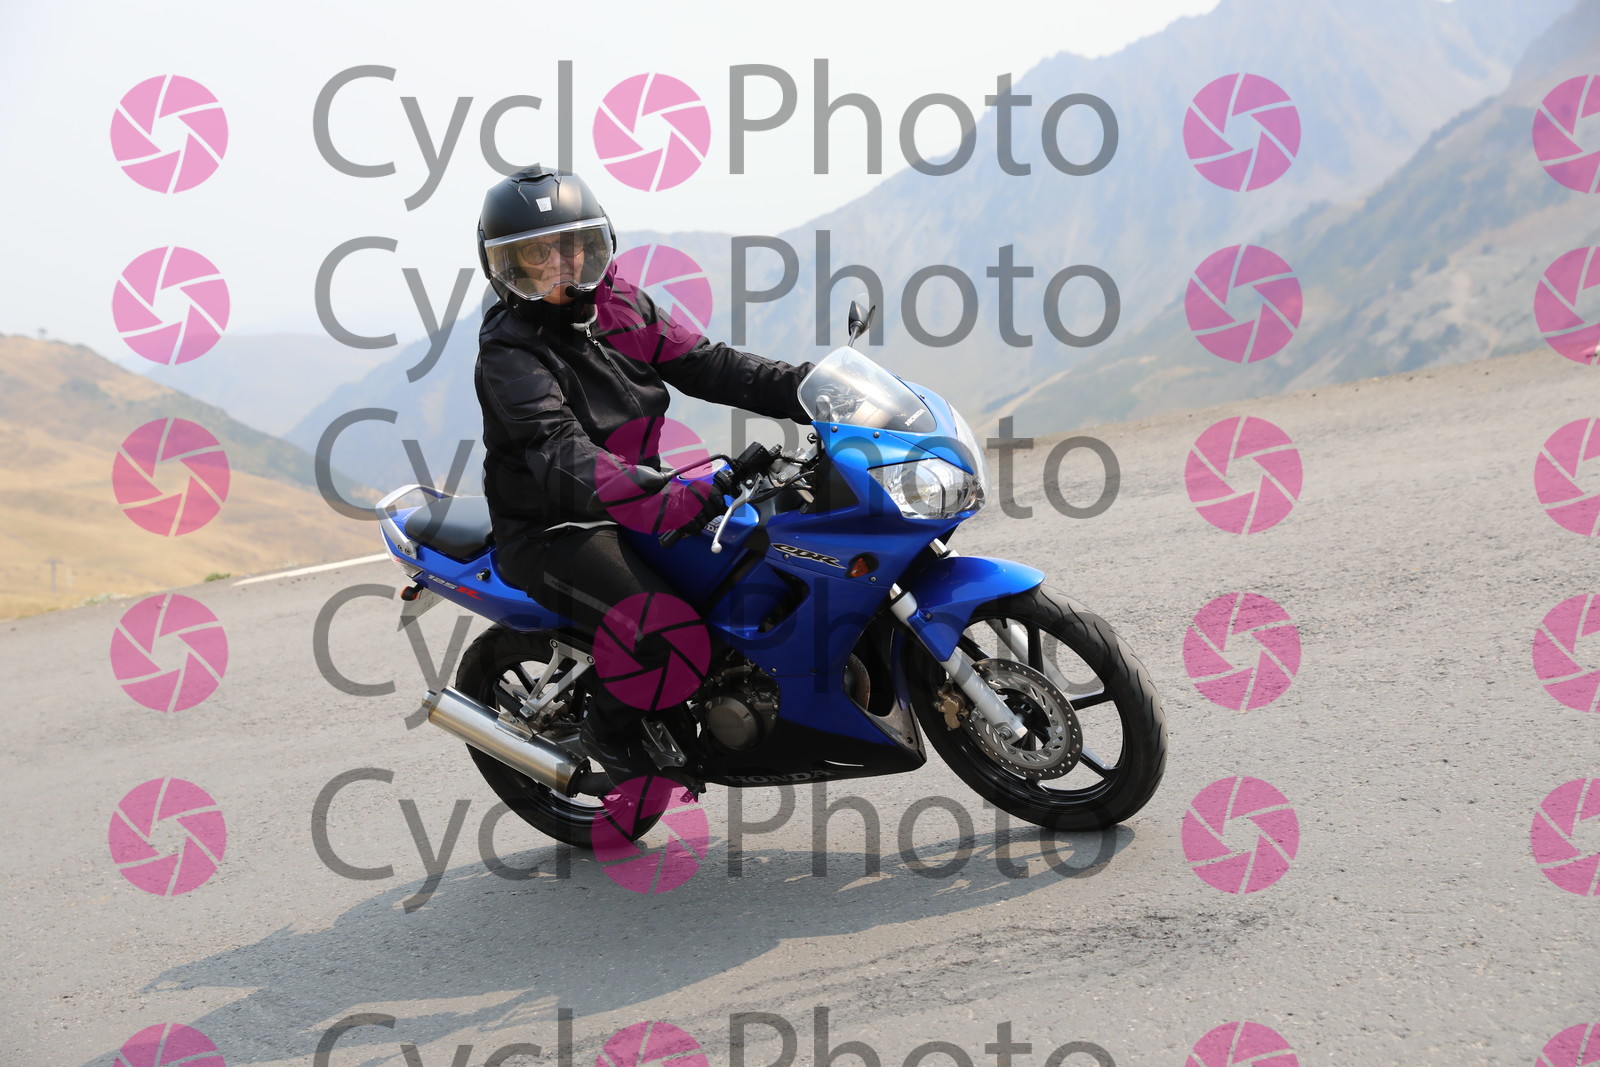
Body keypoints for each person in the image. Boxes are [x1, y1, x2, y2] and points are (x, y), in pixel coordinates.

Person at [473, 164, 814, 789]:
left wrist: (812, 389)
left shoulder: (622, 304)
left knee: (764, 560)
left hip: (638, 498)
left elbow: (710, 365)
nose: (560, 266)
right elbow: (560, 450)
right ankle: (610, 732)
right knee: (667, 628)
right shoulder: (509, 352)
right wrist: (662, 494)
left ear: (596, 245)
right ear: (507, 268)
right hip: (556, 528)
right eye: (537, 255)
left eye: (572, 246)